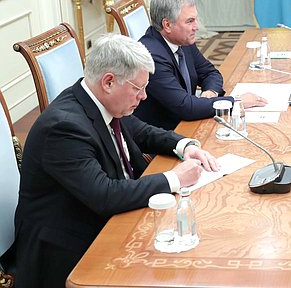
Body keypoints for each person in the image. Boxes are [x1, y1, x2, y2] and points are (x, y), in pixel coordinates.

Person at [14, 34, 218, 288]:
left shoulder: (100, 100)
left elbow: (142, 131)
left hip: (107, 220)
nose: (144, 96)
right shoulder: (64, 127)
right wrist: (176, 178)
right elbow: (105, 195)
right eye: (138, 88)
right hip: (70, 249)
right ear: (109, 81)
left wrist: (184, 145)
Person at [135, 0, 267, 130]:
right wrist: (236, 102)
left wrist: (211, 92)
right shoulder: (152, 56)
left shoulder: (182, 40)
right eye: (190, 21)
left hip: (188, 121)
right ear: (167, 25)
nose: (196, 27)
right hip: (165, 133)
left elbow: (210, 72)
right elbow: (185, 107)